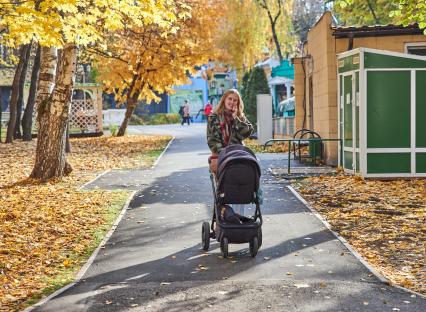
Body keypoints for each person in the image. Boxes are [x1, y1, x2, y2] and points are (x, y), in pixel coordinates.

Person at [206, 89, 253, 174]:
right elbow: (212, 139)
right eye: (230, 99)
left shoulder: (240, 117)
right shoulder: (214, 117)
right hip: (219, 153)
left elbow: (247, 132)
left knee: (249, 170)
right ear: (224, 100)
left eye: (235, 100)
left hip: (238, 152)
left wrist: (236, 118)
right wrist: (225, 153)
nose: (232, 102)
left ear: (238, 103)